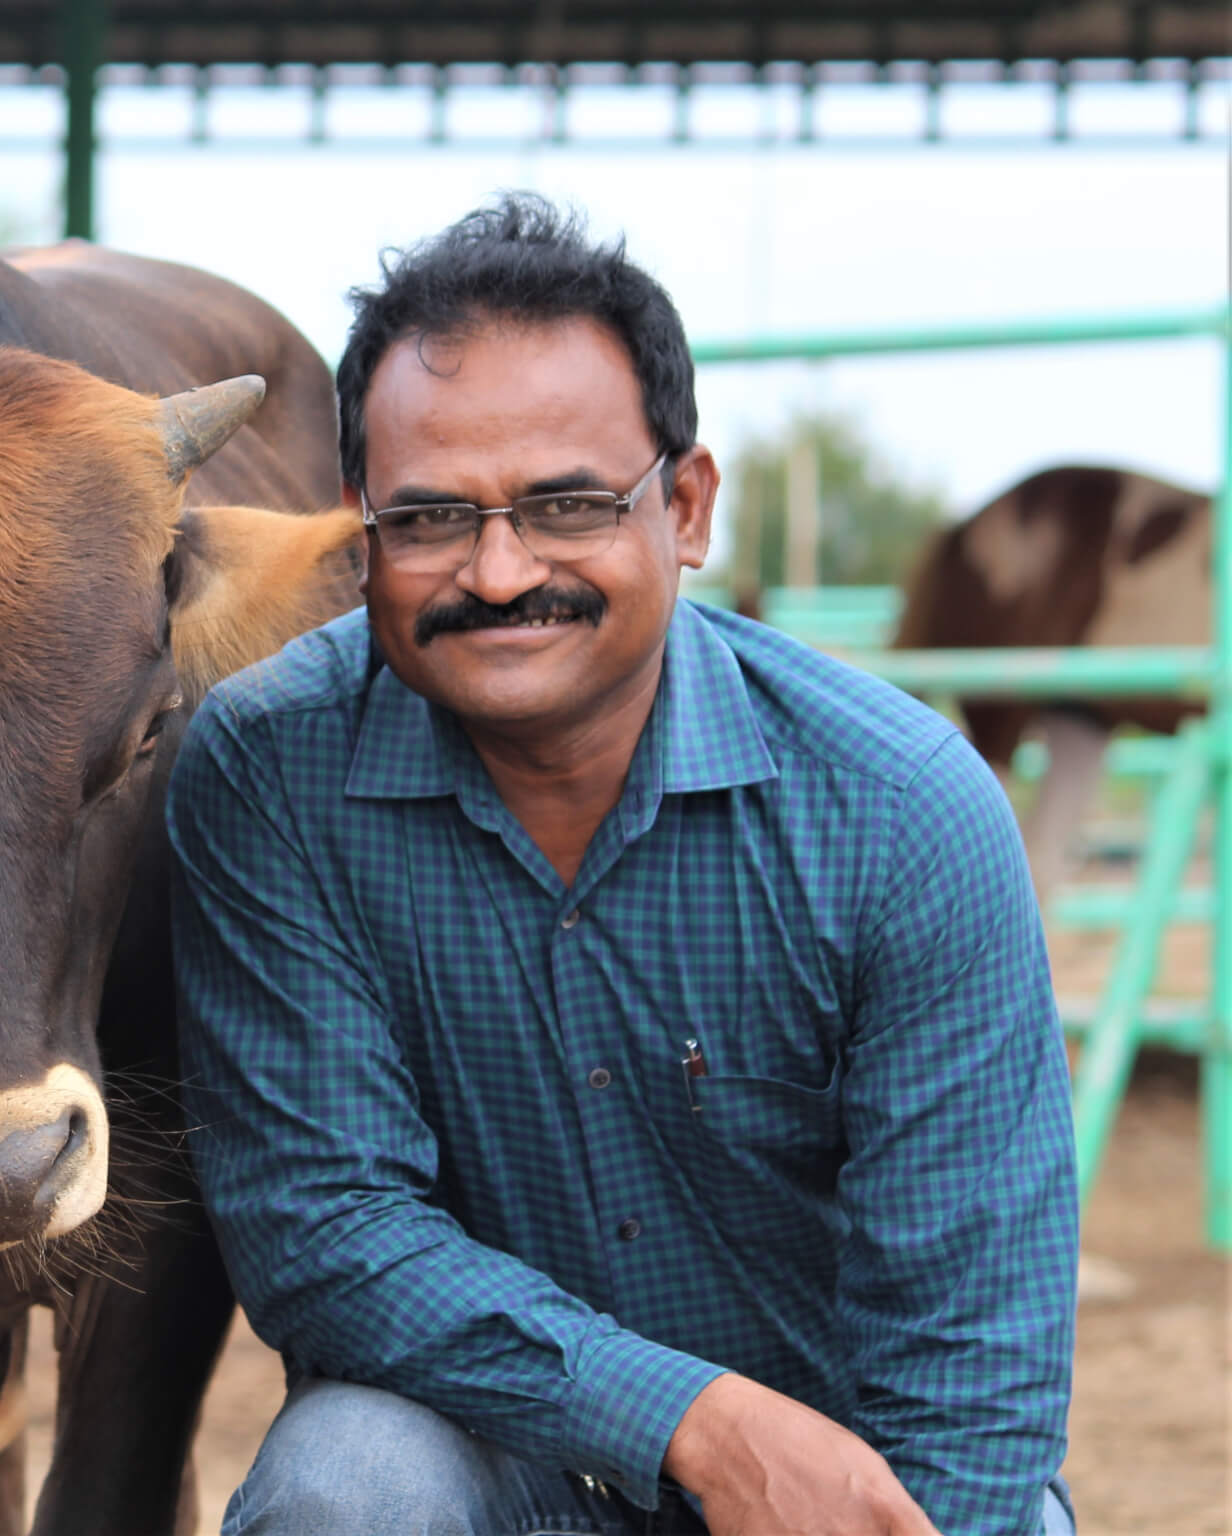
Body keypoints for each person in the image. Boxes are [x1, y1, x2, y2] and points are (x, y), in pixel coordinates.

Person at [166, 194, 1077, 1536]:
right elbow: (326, 1238)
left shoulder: (899, 807)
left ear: (687, 507)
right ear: (359, 535)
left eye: (567, 504)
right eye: (429, 519)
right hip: (498, 1467)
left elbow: (973, 1371)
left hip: (836, 1490)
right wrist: (693, 1424)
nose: (497, 569)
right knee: (345, 1486)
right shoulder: (267, 774)